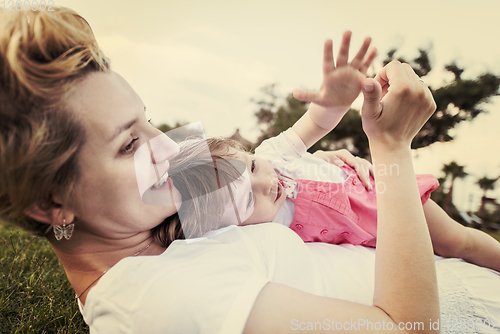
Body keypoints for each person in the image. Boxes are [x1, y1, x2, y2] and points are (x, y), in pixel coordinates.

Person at [0, 7, 499, 334]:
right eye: (129, 142)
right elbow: (409, 329)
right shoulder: (157, 304)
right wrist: (391, 152)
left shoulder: (149, 210)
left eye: (148, 121)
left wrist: (317, 160)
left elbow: (268, 164)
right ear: (50, 202)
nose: (171, 148)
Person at [169, 31, 500, 273]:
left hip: (381, 194)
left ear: (249, 153)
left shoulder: (272, 154)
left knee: (457, 242)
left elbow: (315, 121)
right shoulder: (259, 234)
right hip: (372, 235)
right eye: (246, 201)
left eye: (253, 168)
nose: (266, 185)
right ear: (228, 226)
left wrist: (335, 102)